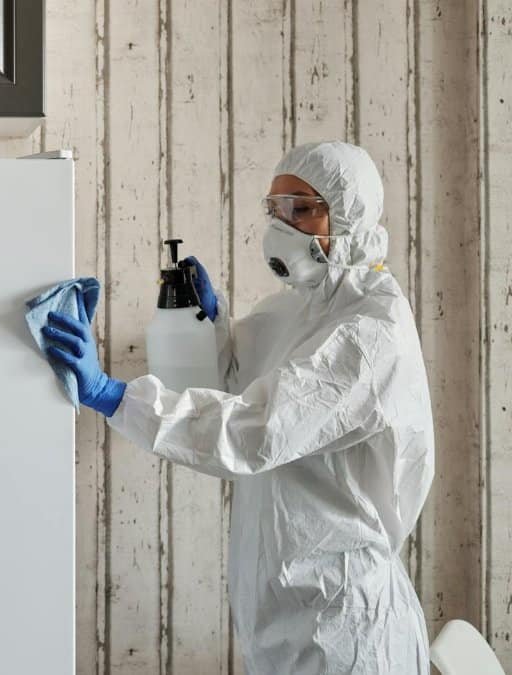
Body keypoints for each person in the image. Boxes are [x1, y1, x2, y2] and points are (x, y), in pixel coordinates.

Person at [43, 141, 434, 674]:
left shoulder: (369, 333)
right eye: (275, 209)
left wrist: (113, 396)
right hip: (282, 604)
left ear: (347, 214)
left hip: (345, 621)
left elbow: (254, 429)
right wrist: (213, 325)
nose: (282, 224)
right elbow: (239, 382)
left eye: (301, 208)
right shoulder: (297, 307)